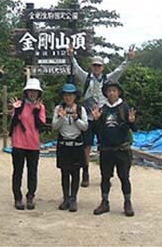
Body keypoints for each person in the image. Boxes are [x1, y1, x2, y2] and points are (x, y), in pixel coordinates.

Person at [66, 45, 135, 187]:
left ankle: (107, 174)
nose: (96, 68)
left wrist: (128, 60)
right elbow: (77, 68)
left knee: (105, 144)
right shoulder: (86, 78)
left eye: (99, 66)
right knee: (86, 145)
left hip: (104, 117)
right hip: (89, 117)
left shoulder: (107, 79)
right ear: (91, 67)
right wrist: (71, 56)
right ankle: (85, 172)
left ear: (103, 67)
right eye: (94, 65)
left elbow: (119, 70)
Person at [90, 80, 137, 217]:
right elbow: (96, 130)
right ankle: (104, 202)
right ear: (105, 93)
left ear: (119, 92)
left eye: (114, 90)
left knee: (124, 177)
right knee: (105, 177)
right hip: (106, 150)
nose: (111, 93)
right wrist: (96, 120)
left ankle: (127, 202)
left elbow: (134, 128)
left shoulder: (125, 107)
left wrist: (132, 121)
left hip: (122, 150)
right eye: (109, 91)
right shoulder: (102, 109)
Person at [9, 78, 46, 210]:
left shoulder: (40, 107)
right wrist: (16, 111)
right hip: (19, 143)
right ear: (26, 92)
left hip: (33, 144)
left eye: (35, 92)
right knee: (17, 172)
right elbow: (12, 124)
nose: (32, 94)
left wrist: (36, 112)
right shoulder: (18, 105)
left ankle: (30, 196)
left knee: (32, 172)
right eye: (30, 91)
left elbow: (40, 126)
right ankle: (17, 198)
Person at [51, 84, 89, 212]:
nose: (68, 98)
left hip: (76, 145)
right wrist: (61, 117)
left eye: (71, 95)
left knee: (75, 173)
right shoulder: (58, 108)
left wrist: (76, 118)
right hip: (63, 145)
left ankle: (73, 198)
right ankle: (66, 198)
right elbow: (54, 126)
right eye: (66, 95)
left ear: (75, 96)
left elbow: (85, 127)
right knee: (64, 172)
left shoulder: (80, 109)